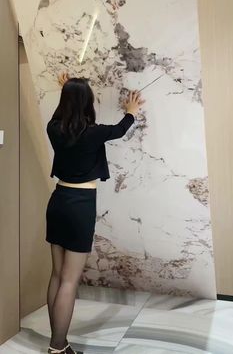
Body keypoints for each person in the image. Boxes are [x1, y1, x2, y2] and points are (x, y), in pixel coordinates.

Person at [46, 75, 144, 354]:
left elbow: (65, 114)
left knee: (56, 275)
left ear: (64, 102)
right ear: (87, 103)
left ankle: (55, 340)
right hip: (80, 205)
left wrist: (68, 91)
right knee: (69, 280)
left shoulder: (53, 128)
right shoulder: (93, 133)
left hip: (58, 201)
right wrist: (131, 111)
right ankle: (58, 347)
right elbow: (120, 128)